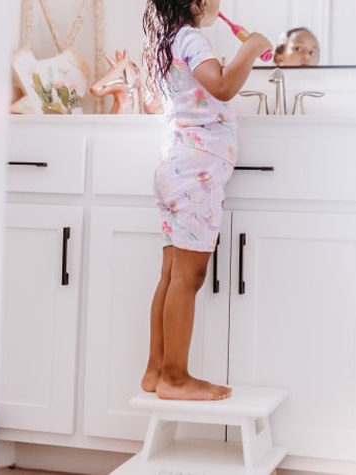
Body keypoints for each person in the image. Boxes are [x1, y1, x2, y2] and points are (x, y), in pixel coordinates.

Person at [141, 0, 271, 401]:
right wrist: (252, 47)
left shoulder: (169, 40)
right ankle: (176, 379)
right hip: (197, 172)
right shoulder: (193, 38)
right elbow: (223, 86)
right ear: (196, 2)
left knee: (171, 276)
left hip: (175, 168)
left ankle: (156, 370)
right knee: (188, 278)